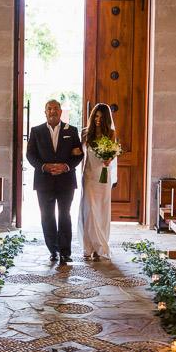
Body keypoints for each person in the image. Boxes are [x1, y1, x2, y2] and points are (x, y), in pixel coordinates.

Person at [26, 99, 83, 263]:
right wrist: (44, 166)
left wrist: (66, 166)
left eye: (56, 108)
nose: (53, 111)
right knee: (47, 216)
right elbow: (30, 155)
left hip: (66, 181)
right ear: (45, 112)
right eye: (49, 109)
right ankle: (53, 250)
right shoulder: (36, 131)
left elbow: (78, 154)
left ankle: (66, 252)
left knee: (64, 215)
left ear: (60, 111)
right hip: (44, 181)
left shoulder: (71, 130)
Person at [78, 103, 116, 261]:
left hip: (103, 177)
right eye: (96, 116)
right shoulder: (85, 133)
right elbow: (79, 154)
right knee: (89, 211)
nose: (98, 120)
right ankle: (88, 246)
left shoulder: (111, 133)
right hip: (88, 176)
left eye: (101, 117)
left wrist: (109, 159)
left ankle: (99, 247)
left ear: (106, 118)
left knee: (101, 211)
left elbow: (113, 153)